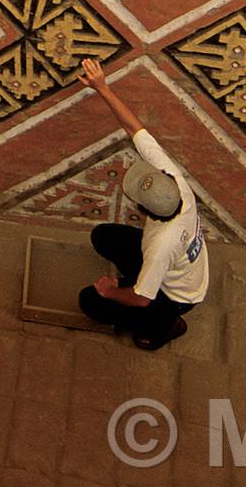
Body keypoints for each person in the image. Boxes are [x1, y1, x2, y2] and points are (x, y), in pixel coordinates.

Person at [75, 56, 209, 350]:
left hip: (174, 296)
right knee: (103, 236)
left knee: (90, 302)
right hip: (174, 263)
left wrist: (110, 291)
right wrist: (102, 88)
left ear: (143, 210)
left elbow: (141, 298)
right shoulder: (176, 185)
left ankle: (166, 326)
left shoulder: (162, 244)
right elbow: (137, 131)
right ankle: (140, 280)